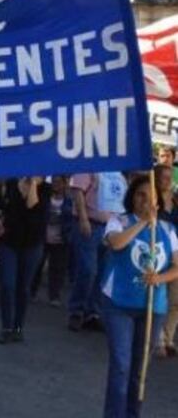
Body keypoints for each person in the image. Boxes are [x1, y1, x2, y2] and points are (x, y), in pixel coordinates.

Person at [101, 174, 178, 418]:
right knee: (121, 365)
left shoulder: (168, 230)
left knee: (140, 369)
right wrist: (143, 223)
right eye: (140, 195)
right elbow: (116, 244)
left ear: (158, 200)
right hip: (118, 303)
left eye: (150, 196)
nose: (145, 200)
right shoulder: (119, 221)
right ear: (132, 197)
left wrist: (160, 278)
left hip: (153, 307)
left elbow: (177, 267)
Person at [68, 171, 128, 332]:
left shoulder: (119, 174)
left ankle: (93, 312)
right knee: (88, 270)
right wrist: (83, 218)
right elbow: (78, 191)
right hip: (91, 223)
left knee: (103, 273)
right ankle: (77, 310)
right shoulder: (90, 166)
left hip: (111, 227)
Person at [0, 177, 45, 344]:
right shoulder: (11, 183)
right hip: (8, 241)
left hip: (32, 245)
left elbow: (32, 205)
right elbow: (2, 207)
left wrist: (33, 184)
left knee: (23, 287)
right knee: (7, 285)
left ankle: (18, 327)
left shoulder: (45, 188)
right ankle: (6, 328)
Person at [30, 176, 73, 307]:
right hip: (43, 237)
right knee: (36, 266)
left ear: (64, 184)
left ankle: (54, 296)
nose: (56, 185)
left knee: (58, 269)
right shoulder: (45, 197)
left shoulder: (69, 201)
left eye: (59, 182)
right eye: (54, 182)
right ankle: (31, 292)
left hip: (61, 239)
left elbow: (72, 219)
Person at [154, 163, 178, 357]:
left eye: (170, 177)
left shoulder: (176, 200)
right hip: (159, 250)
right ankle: (158, 339)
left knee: (175, 299)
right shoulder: (152, 199)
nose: (168, 181)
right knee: (159, 297)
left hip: (177, 252)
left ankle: (169, 337)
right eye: (164, 177)